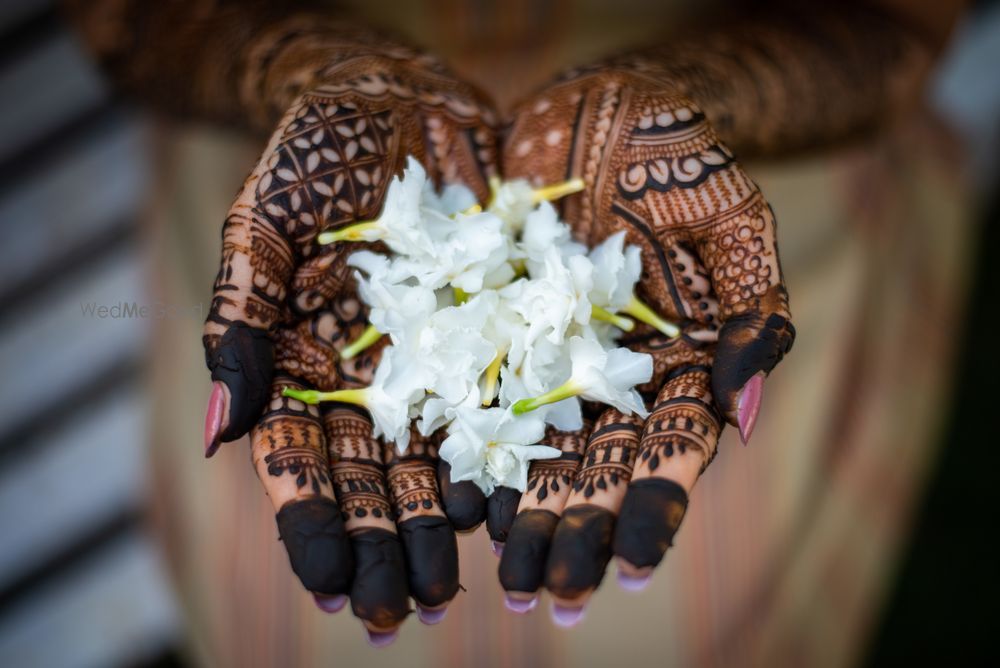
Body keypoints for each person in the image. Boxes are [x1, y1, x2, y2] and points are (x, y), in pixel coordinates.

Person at [66, 0, 970, 664]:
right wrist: (322, 72)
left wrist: (690, 99)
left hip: (694, 239)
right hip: (309, 248)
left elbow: (901, 17)